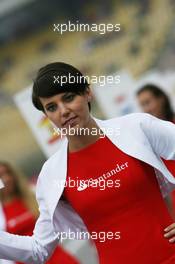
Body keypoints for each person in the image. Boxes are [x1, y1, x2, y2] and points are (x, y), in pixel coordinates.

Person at [1, 63, 175, 263]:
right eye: (51, 107)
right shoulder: (51, 175)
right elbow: (38, 249)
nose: (63, 111)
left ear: (87, 93)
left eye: (68, 98)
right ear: (47, 116)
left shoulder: (135, 127)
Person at [0, 161, 80, 264]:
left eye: (8, 173)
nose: (6, 179)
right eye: (1, 176)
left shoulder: (34, 194)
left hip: (57, 258)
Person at [137, 84, 175, 216]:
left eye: (148, 102)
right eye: (142, 105)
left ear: (161, 99)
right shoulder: (148, 140)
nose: (146, 109)